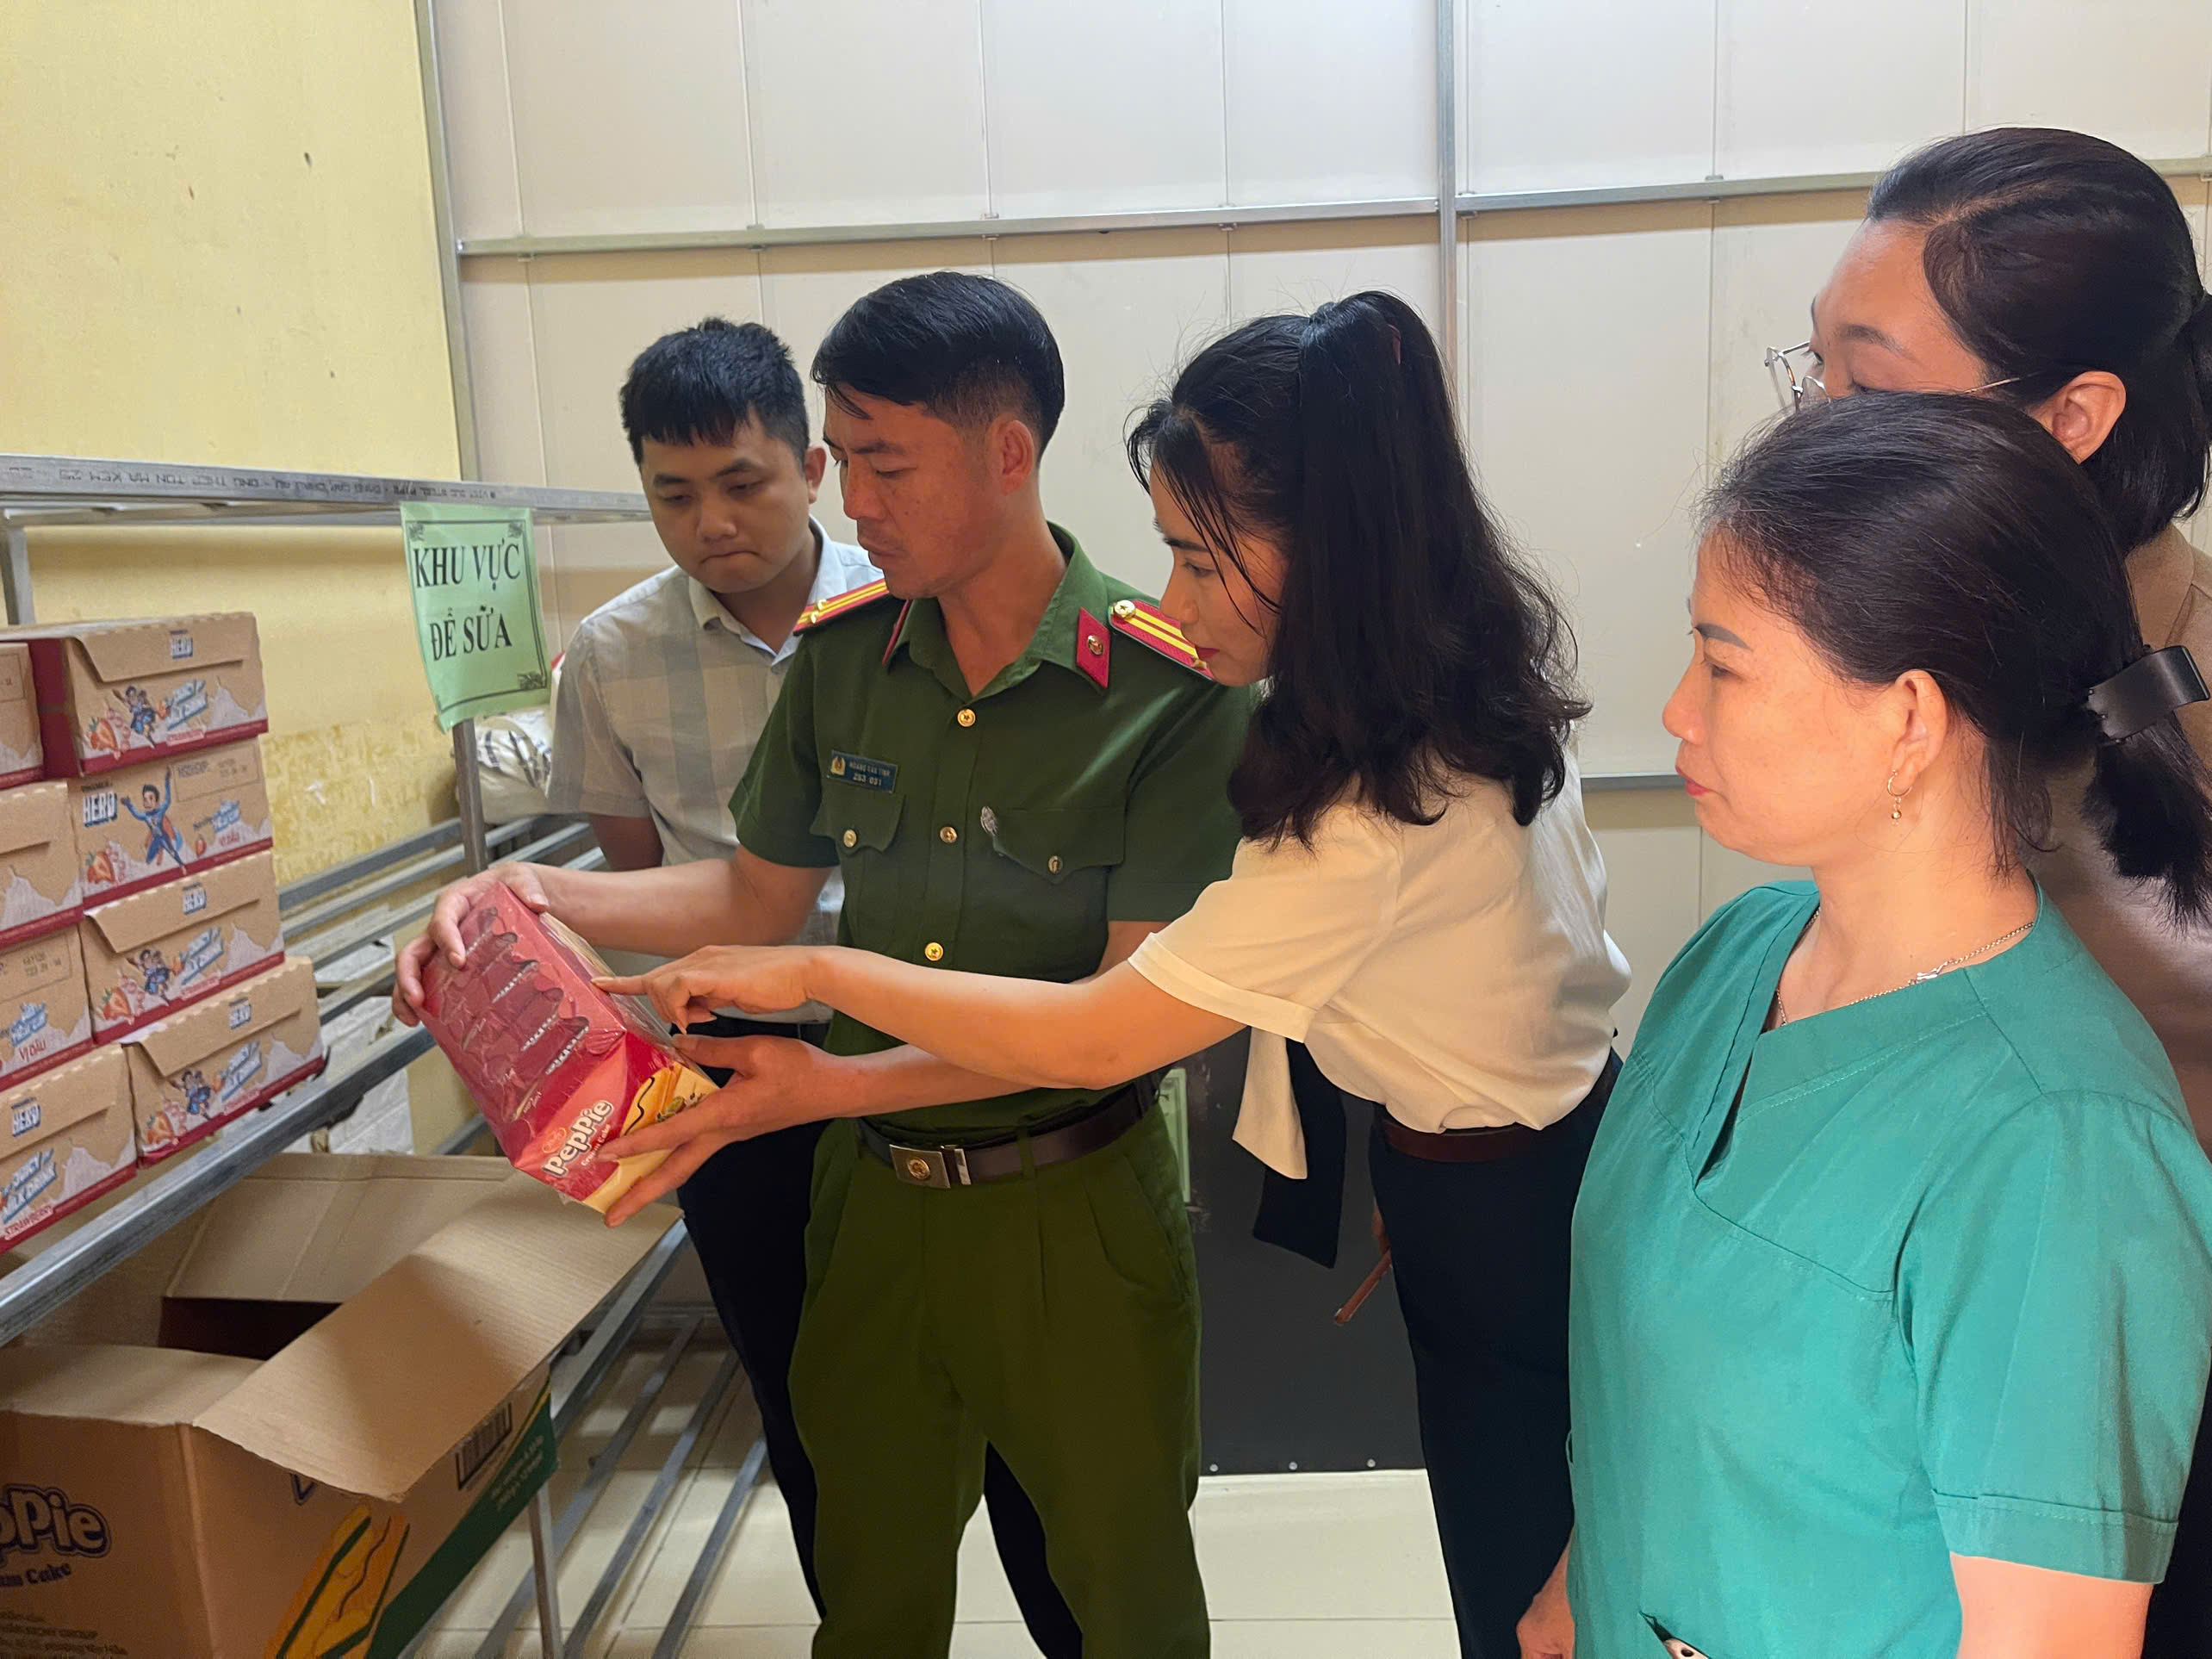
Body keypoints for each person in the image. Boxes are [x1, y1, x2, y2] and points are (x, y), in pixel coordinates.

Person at [597, 290, 1632, 1659]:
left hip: (1374, 1190)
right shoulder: (1445, 693)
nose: (1176, 600)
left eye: (1201, 558)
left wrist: (819, 978)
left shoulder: (1352, 795)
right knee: (870, 1550)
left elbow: (1098, 1034)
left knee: (1509, 1592)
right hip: (1492, 1160)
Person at [400, 272, 1251, 1659]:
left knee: (1122, 1590)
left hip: (1073, 1209)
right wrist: (532, 889)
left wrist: (828, 1079)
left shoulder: (1169, 692)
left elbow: (1117, 1019)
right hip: (873, 1211)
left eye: (886, 464)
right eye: (843, 460)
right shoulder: (847, 662)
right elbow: (756, 892)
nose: (853, 504)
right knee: (866, 1580)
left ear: (1008, 451)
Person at [1513, 394, 2212, 1659]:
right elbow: (1659, 1367)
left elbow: (2047, 1638)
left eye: (1723, 665)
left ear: (1909, 720)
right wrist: (1585, 1579)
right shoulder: (1737, 955)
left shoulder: (2060, 1149)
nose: (1675, 709)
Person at [539, 317, 1088, 1648]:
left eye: (743, 482)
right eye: (674, 494)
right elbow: (654, 879)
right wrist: (540, 908)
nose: (713, 523)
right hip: (739, 1066)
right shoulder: (609, 656)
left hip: (931, 1040)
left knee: (1023, 1405)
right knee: (810, 1396)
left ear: (808, 464)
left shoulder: (913, 599)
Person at [1777, 127, 2212, 1652]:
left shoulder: (2179, 697)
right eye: (1813, 369)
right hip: (1905, 1340)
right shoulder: (1899, 627)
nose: (1817, 428)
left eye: (1872, 383)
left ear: (2076, 414)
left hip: (2133, 1380)